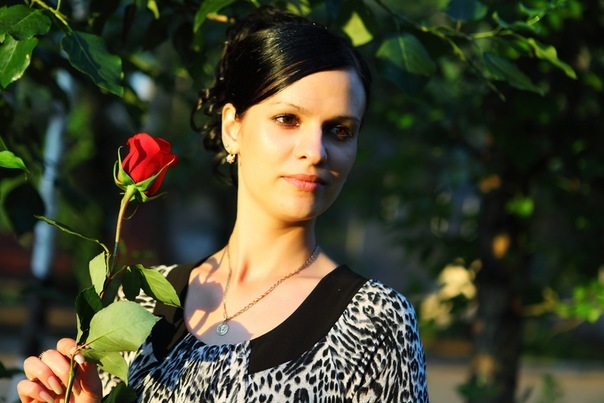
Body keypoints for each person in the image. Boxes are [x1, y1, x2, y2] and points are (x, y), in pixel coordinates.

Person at [18, 6, 429, 402]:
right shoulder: (138, 303)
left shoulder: (376, 322)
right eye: (288, 119)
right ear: (232, 127)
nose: (316, 151)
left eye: (340, 130)